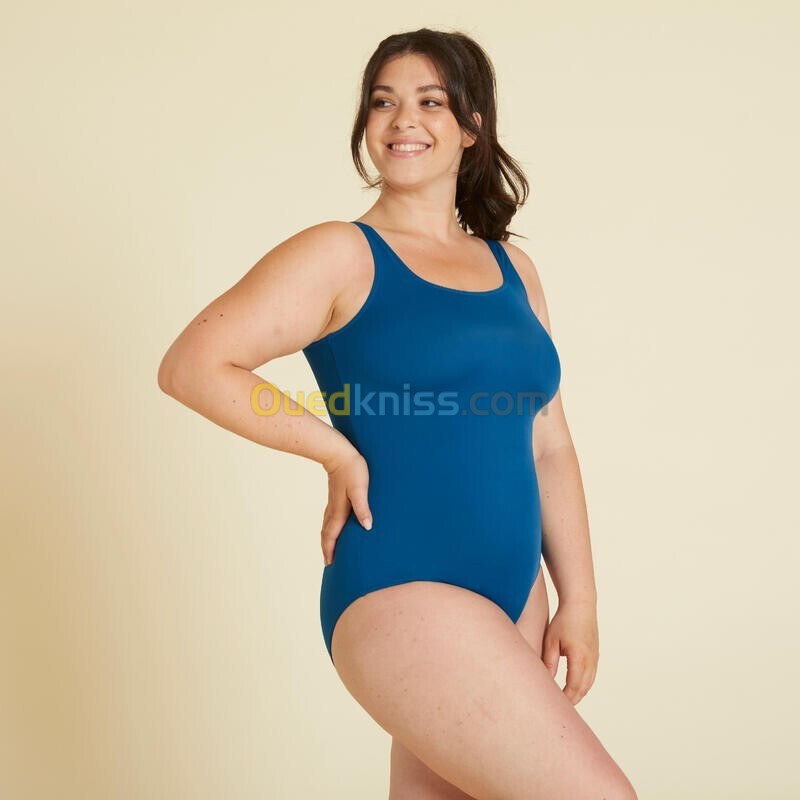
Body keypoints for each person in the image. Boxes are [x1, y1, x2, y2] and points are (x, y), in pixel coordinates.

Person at [158, 26, 638, 800]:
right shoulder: (341, 253)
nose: (402, 120)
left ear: (471, 125)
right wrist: (332, 449)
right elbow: (194, 365)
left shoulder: (513, 268)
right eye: (383, 102)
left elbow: (549, 443)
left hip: (517, 595)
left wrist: (579, 599)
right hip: (399, 584)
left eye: (430, 102)